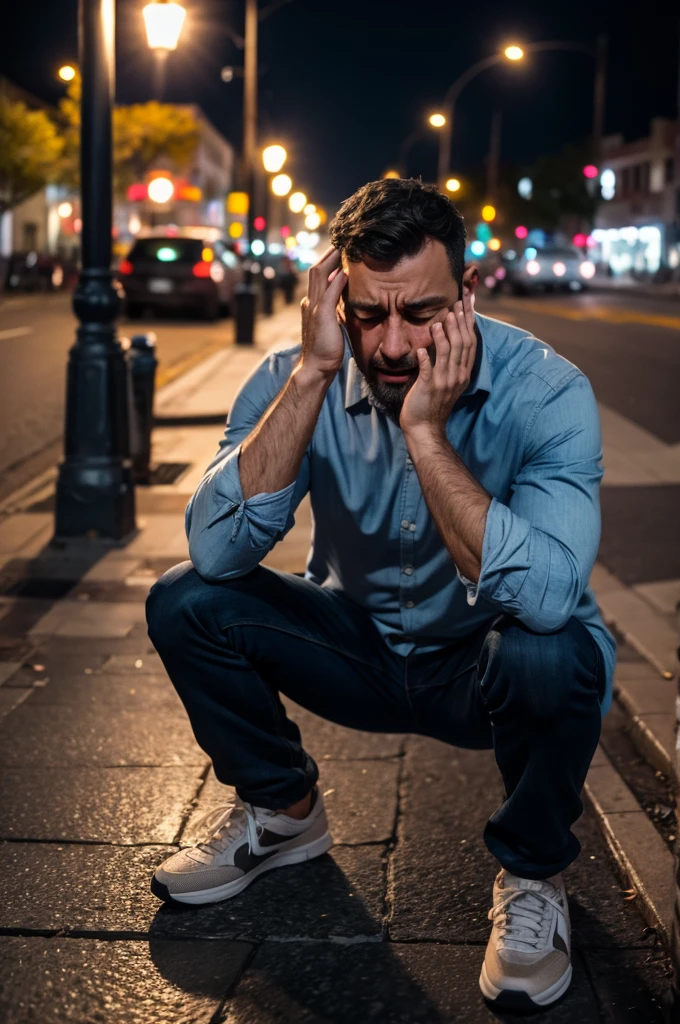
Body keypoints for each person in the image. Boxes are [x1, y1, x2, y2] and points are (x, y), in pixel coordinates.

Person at [146, 178, 616, 1012]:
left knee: (558, 648)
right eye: (368, 314)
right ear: (333, 294)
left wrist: (426, 434)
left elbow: (546, 597)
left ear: (468, 294)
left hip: (481, 666)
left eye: (423, 313)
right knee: (186, 600)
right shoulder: (300, 374)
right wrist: (314, 374)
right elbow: (216, 552)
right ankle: (285, 812)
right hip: (354, 648)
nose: (393, 346)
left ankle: (533, 875)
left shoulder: (545, 390)